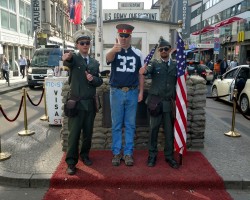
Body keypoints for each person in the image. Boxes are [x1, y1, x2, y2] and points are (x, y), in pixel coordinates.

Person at [62, 29, 103, 175]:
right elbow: (67, 61)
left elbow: (99, 81)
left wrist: (93, 79)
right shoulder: (75, 59)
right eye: (82, 43)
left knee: (88, 133)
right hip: (77, 104)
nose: (85, 45)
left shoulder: (94, 62)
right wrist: (65, 57)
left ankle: (85, 155)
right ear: (77, 45)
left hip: (90, 104)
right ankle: (71, 162)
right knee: (74, 134)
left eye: (87, 42)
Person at [106, 23, 144, 167]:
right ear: (118, 36)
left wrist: (141, 91)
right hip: (116, 91)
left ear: (130, 36)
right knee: (116, 124)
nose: (123, 38)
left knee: (130, 125)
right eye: (121, 35)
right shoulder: (114, 51)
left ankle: (128, 153)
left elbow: (141, 74)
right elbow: (107, 59)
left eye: (126, 35)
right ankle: (116, 152)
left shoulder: (138, 53)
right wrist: (113, 50)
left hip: (133, 91)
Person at [139, 36, 179, 169]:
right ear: (158, 51)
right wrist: (143, 71)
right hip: (155, 102)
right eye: (161, 49)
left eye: (165, 49)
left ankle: (169, 156)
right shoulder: (154, 63)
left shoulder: (175, 65)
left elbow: (181, 79)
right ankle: (152, 155)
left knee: (169, 132)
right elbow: (146, 71)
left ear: (169, 50)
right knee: (153, 130)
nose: (163, 51)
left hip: (168, 103)